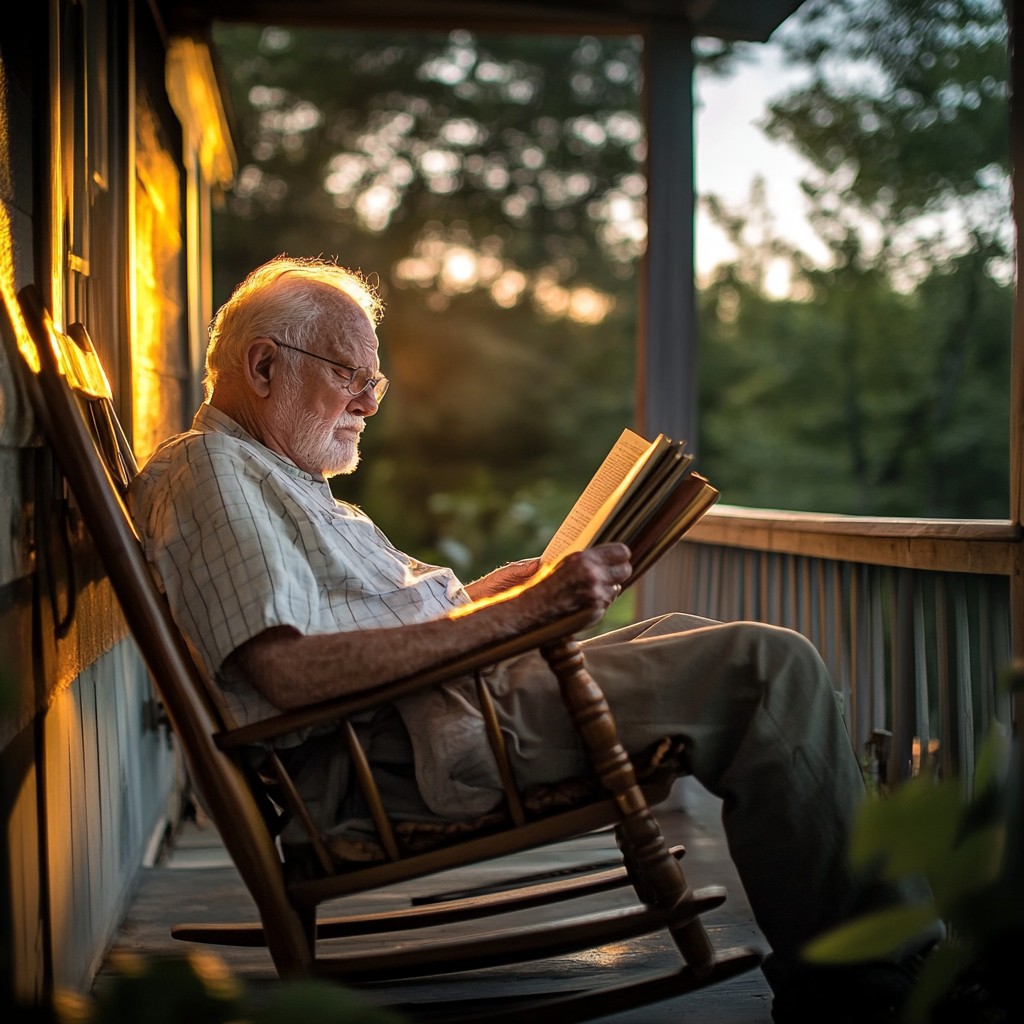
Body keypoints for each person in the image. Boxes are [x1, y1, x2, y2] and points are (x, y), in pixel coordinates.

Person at [128, 255, 936, 1023]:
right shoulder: (216, 473)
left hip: (436, 711)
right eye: (349, 376)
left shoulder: (272, 475)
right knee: (768, 668)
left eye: (373, 380)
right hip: (410, 748)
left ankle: (871, 956)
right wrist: (517, 617)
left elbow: (347, 621)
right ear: (264, 367)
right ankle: (872, 988)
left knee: (708, 641)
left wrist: (489, 593)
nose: (369, 403)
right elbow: (291, 674)